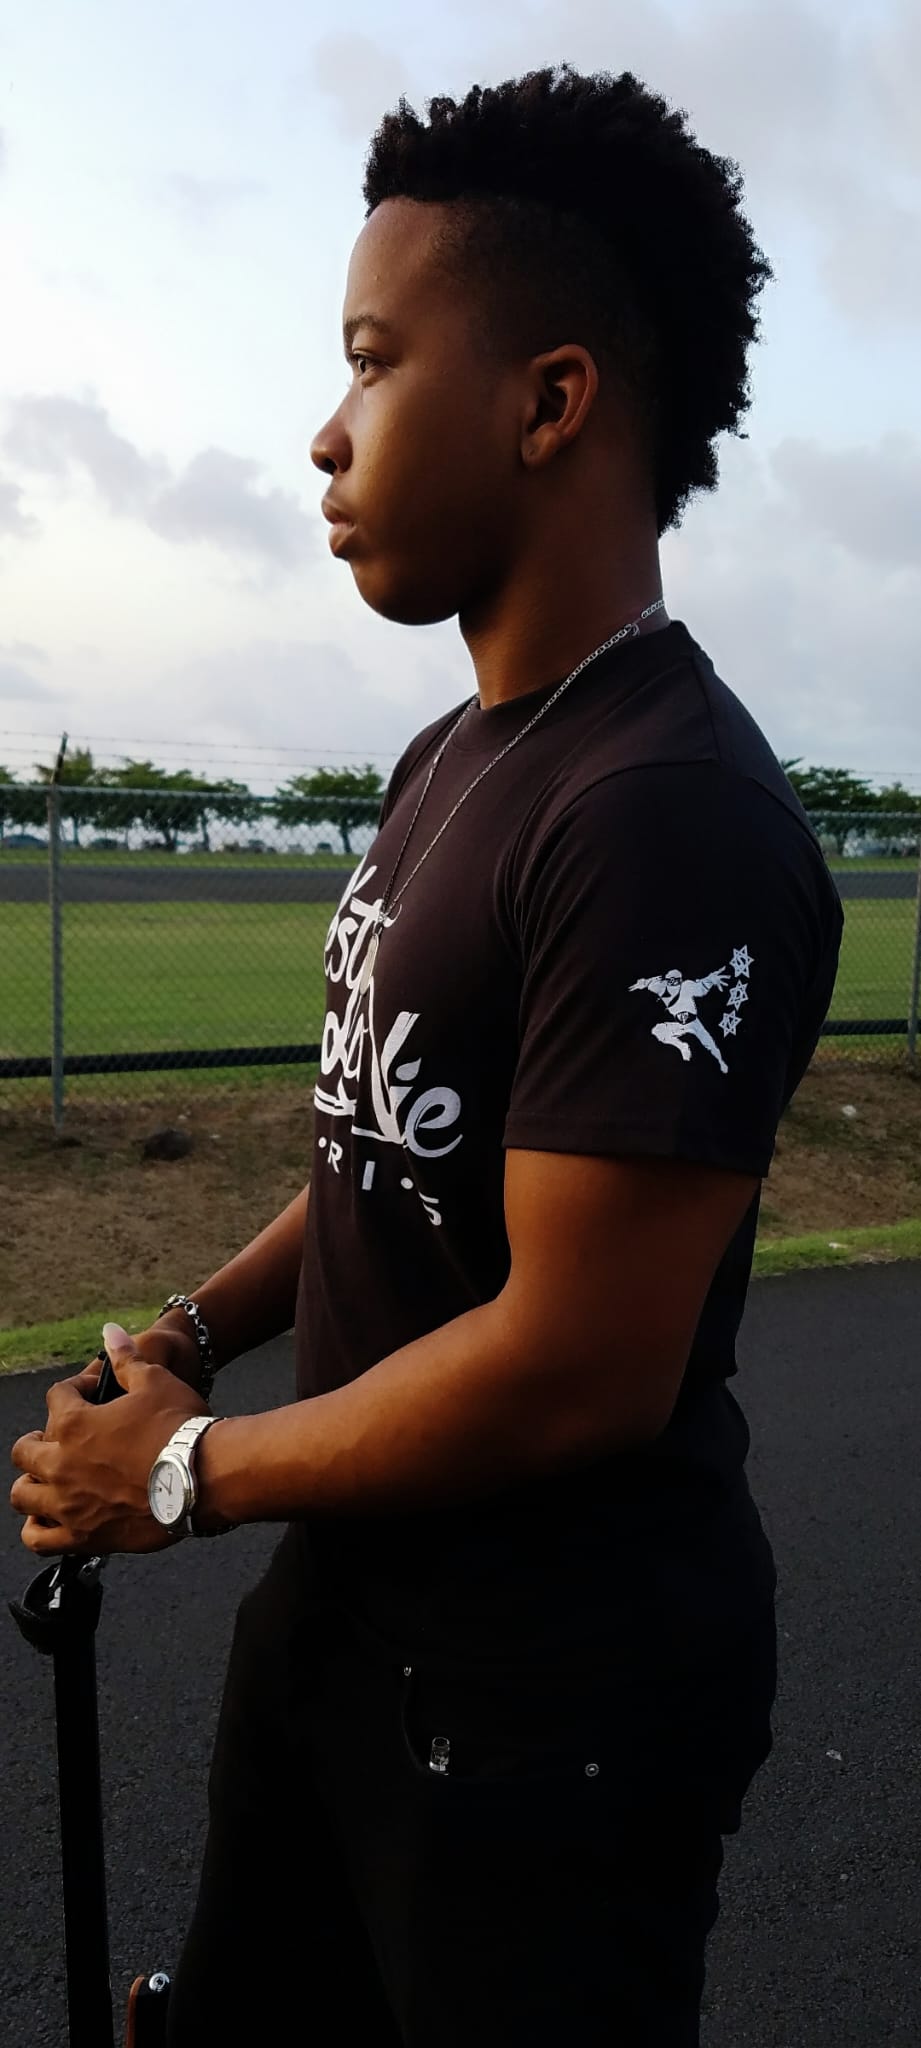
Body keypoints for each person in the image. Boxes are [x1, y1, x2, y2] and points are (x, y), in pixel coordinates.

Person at [11, 64, 843, 2046]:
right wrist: (191, 1334)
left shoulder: (663, 810)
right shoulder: (451, 757)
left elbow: (577, 1359)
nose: (325, 429)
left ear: (549, 401)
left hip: (552, 1702)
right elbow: (386, 1146)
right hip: (351, 1609)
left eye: (372, 359)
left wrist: (186, 1471)